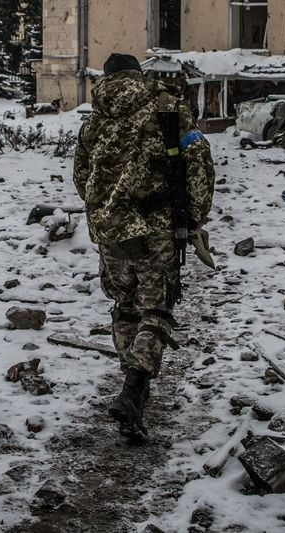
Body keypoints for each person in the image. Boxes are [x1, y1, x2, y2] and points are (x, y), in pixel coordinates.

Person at [73, 53, 215, 441]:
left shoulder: (93, 121)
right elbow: (198, 157)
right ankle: (134, 388)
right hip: (156, 228)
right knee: (155, 308)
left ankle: (133, 393)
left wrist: (107, 209)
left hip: (110, 233)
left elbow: (82, 177)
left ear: (107, 78)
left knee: (124, 306)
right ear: (139, 74)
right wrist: (196, 215)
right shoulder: (167, 107)